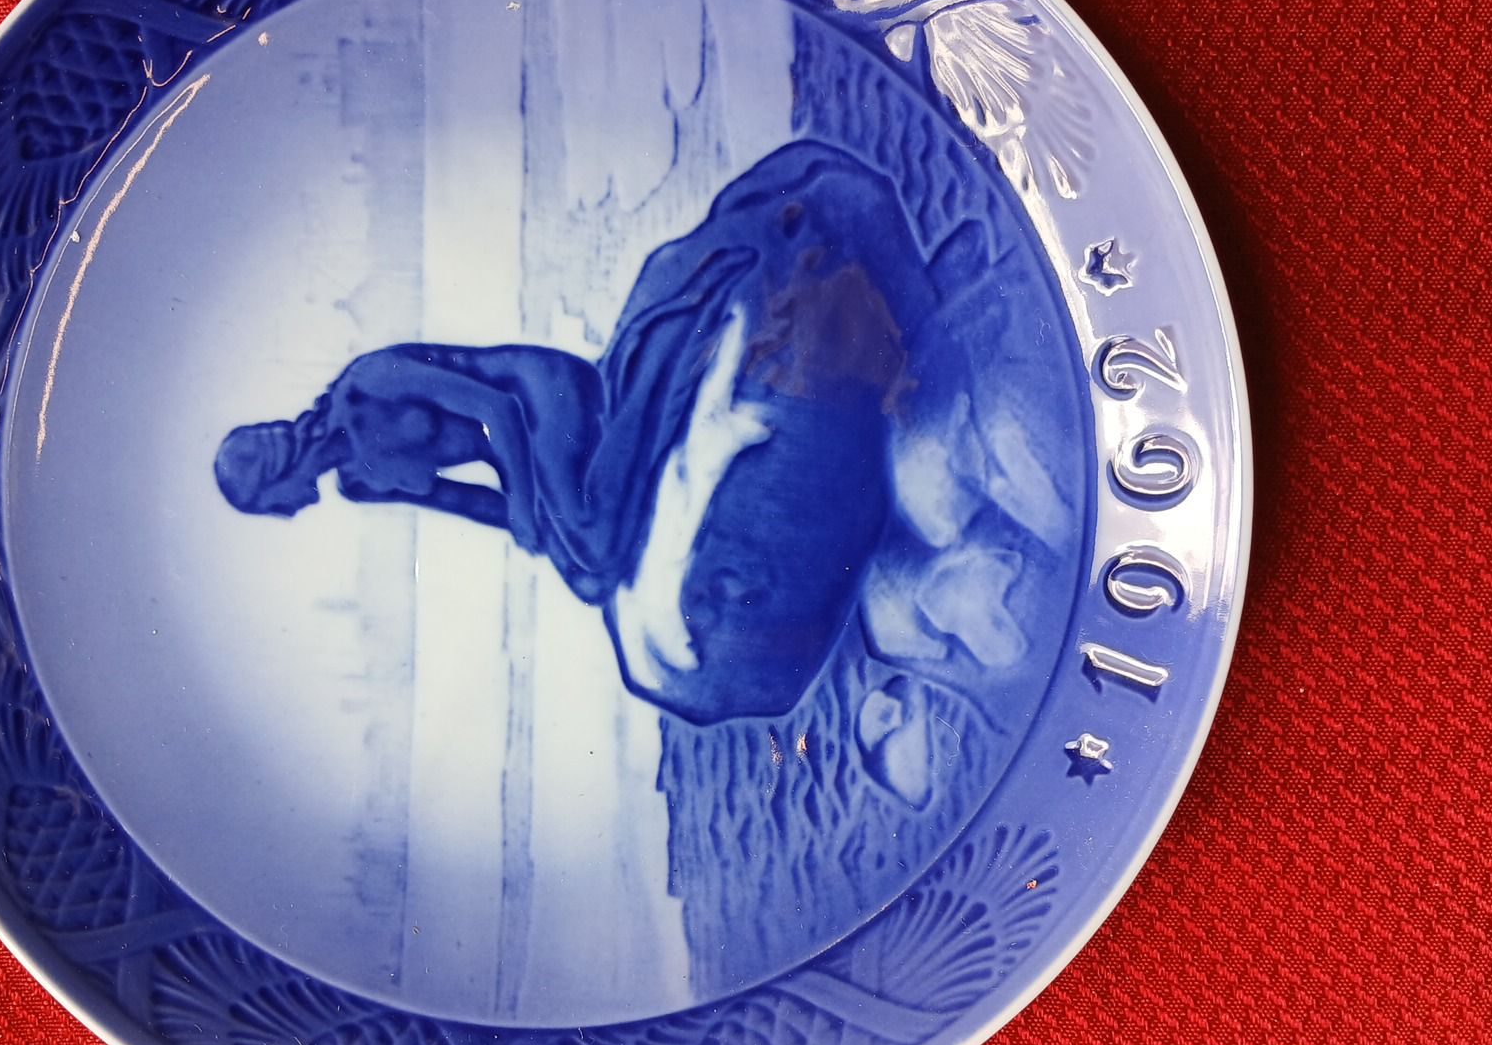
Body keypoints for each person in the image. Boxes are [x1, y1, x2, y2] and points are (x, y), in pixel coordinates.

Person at [215, 140, 972, 726]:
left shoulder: (370, 384)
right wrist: (527, 528)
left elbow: (495, 407)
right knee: (584, 571)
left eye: (272, 499)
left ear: (275, 477)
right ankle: (622, 504)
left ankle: (685, 436)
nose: (288, 509)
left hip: (542, 399)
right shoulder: (359, 481)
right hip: (524, 461)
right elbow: (456, 498)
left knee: (596, 540)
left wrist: (528, 505)